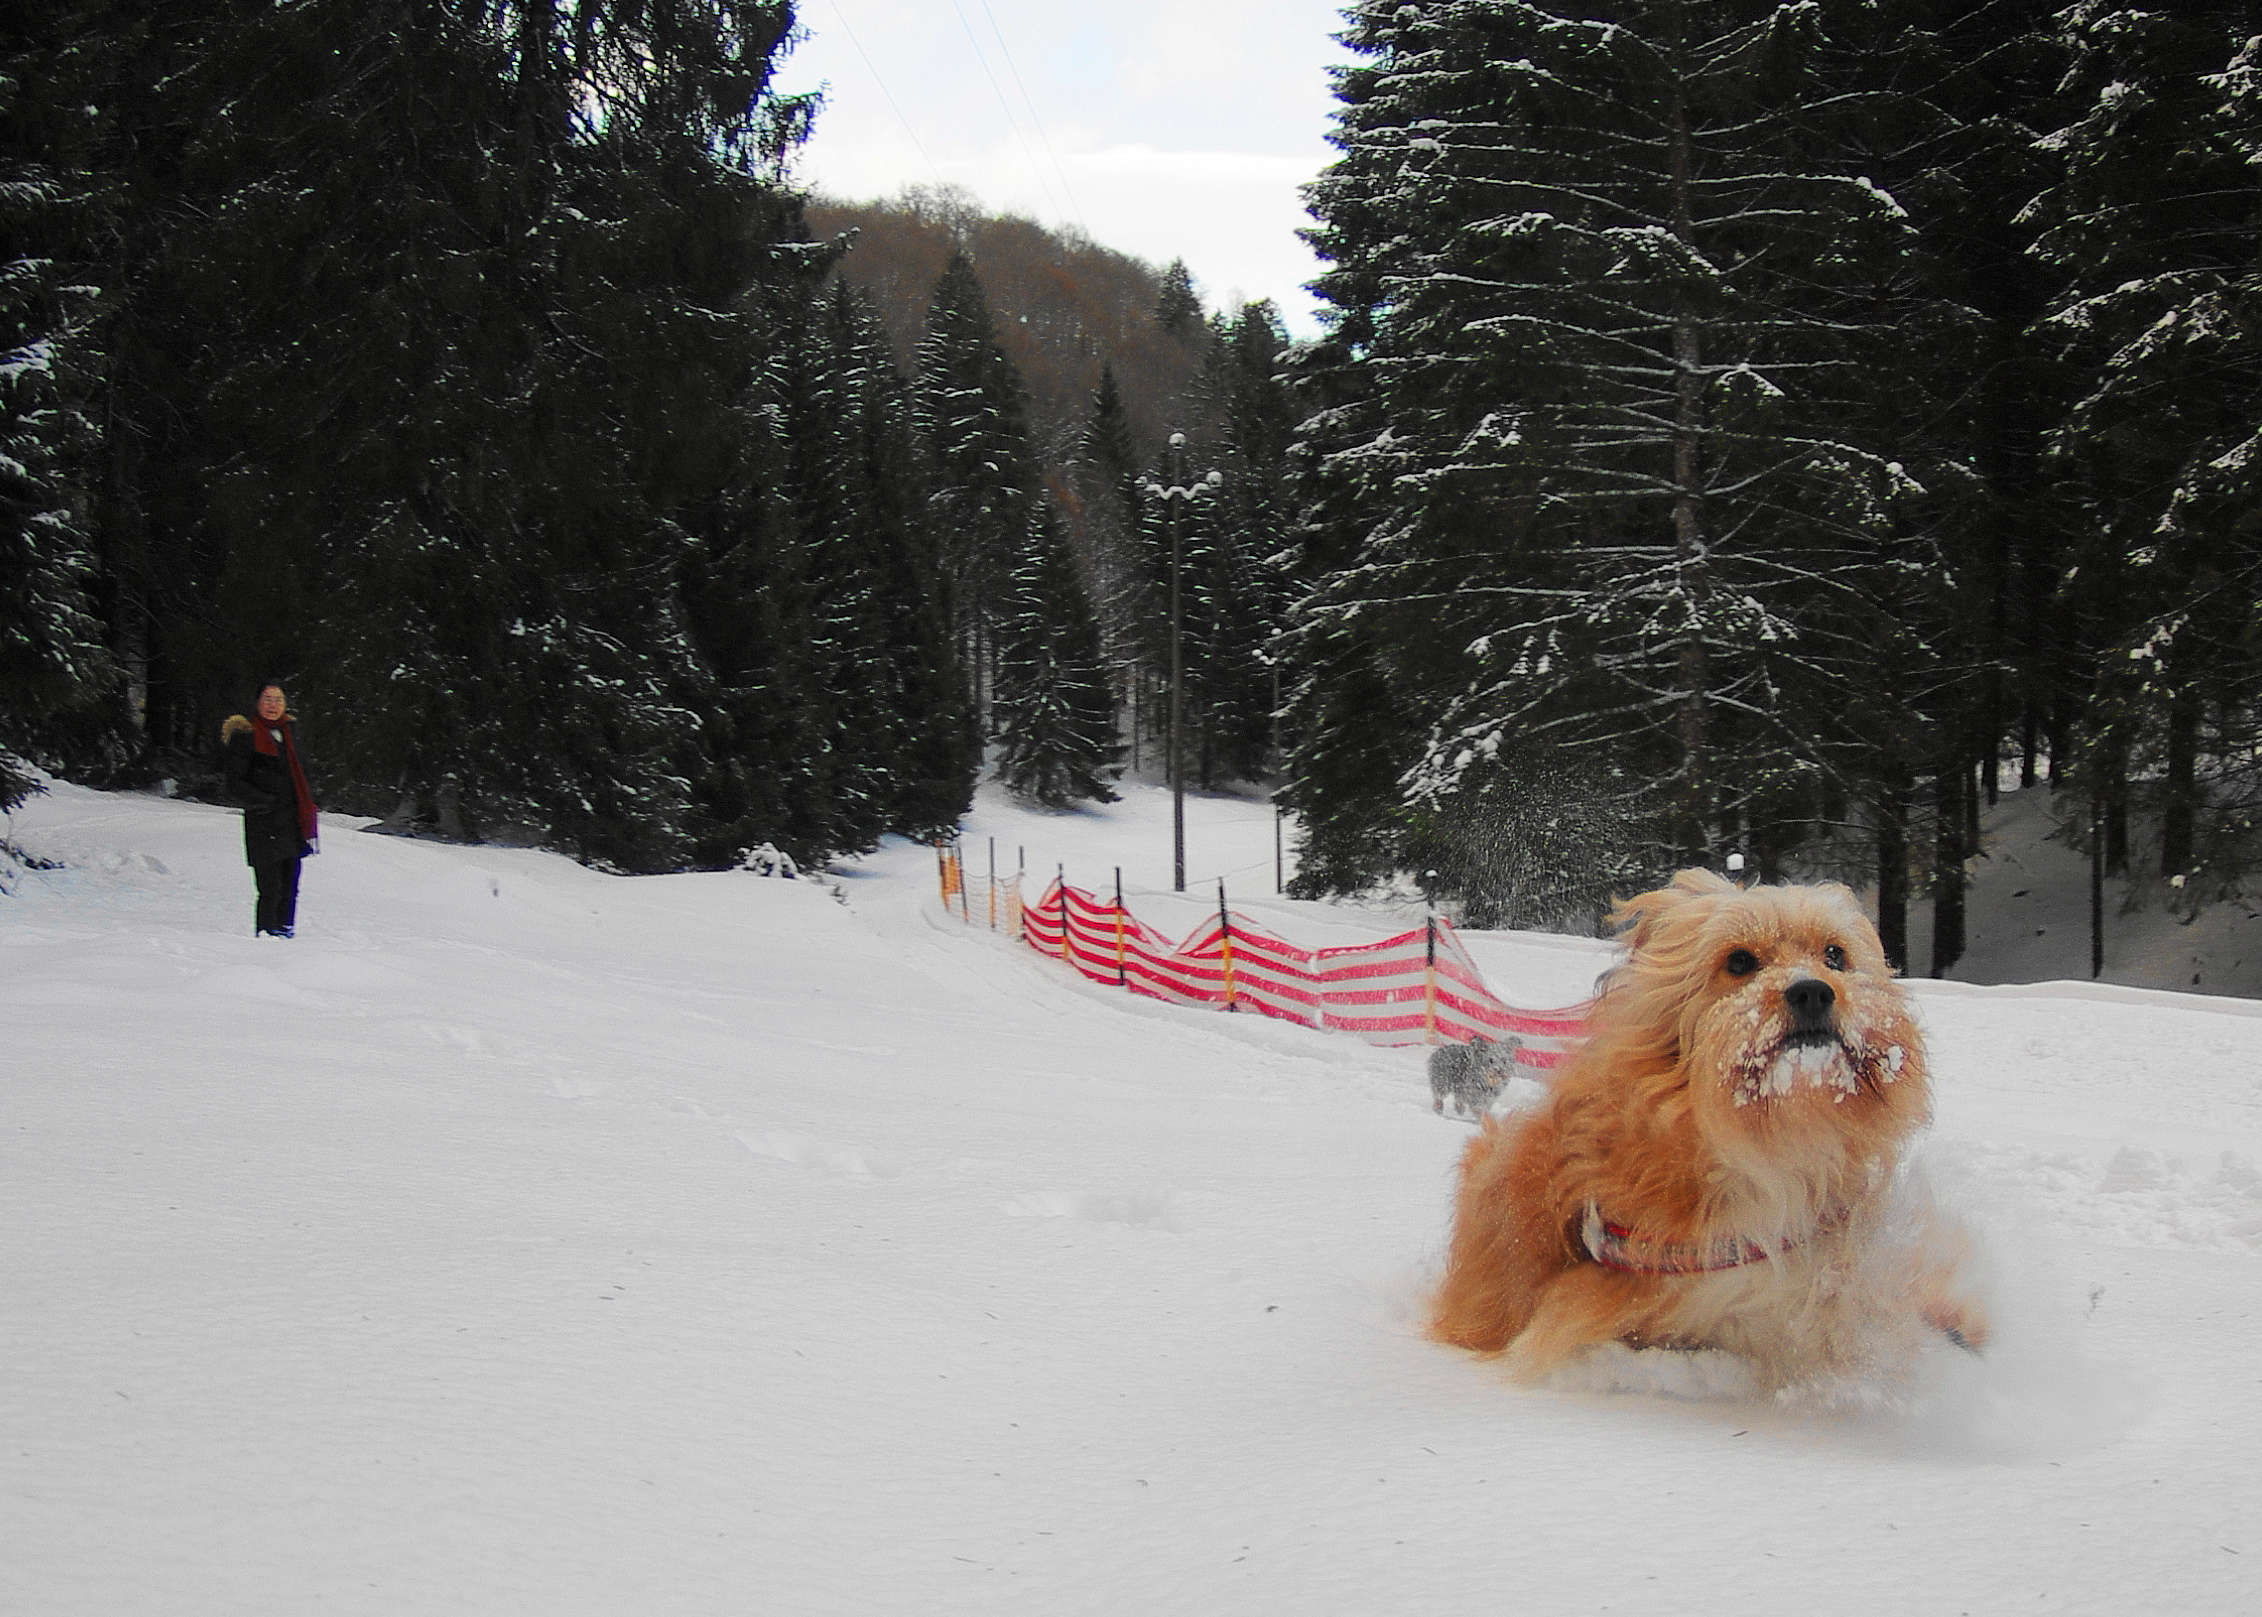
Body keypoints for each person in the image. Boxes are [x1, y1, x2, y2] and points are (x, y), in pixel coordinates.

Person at [220, 683, 318, 937]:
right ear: (257, 703)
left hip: (293, 821)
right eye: (267, 699)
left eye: (278, 699)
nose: (273, 705)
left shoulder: (291, 734)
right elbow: (234, 782)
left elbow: (303, 773)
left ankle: (286, 932)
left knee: (290, 885)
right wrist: (264, 801)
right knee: (269, 887)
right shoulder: (246, 736)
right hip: (264, 822)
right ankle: (266, 936)